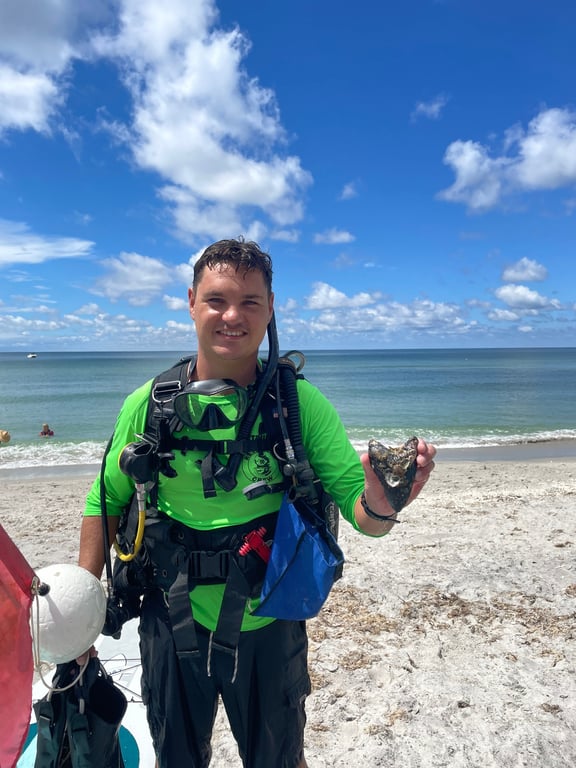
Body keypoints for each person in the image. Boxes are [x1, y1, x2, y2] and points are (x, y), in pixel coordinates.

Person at [77, 238, 436, 768]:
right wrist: (81, 610)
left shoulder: (299, 406)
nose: (232, 316)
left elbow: (365, 518)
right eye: (217, 299)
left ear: (270, 309)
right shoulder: (148, 404)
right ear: (192, 300)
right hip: (169, 619)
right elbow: (104, 500)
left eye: (250, 302)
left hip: (269, 625)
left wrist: (384, 501)